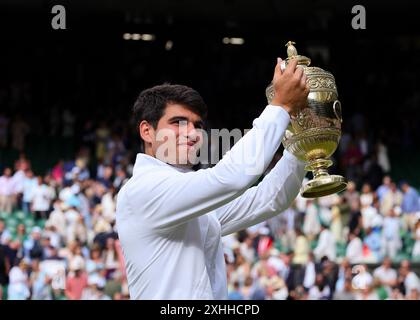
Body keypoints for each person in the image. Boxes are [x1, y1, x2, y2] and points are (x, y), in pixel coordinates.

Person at [116, 58, 309, 299]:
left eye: (198, 125)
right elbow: (231, 178)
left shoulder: (187, 199)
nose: (192, 133)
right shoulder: (144, 190)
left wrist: (304, 143)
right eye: (178, 123)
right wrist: (281, 107)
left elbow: (269, 199)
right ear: (147, 131)